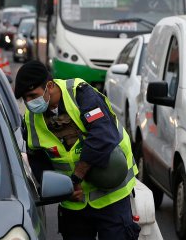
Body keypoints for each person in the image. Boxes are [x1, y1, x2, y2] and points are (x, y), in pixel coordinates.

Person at [14, 60, 140, 240]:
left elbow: (102, 136)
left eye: (32, 95)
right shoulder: (31, 120)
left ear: (49, 86)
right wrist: (58, 189)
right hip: (74, 203)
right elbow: (36, 158)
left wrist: (76, 177)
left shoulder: (80, 93)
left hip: (111, 196)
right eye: (24, 98)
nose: (29, 102)